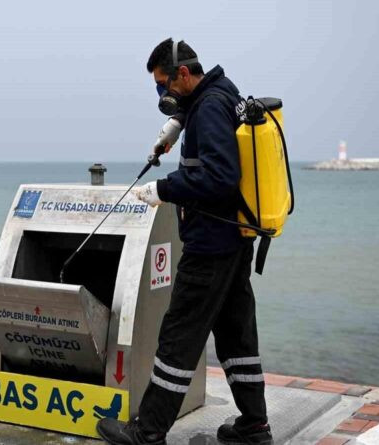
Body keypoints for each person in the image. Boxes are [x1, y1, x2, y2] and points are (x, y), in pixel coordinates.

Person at [96, 38, 272, 445]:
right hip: (234, 240)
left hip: (210, 246)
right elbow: (208, 120)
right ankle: (255, 424)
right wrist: (174, 128)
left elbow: (219, 177)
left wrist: (164, 189)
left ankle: (148, 430)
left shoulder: (209, 108)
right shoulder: (219, 93)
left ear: (185, 74)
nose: (162, 94)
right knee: (236, 334)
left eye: (164, 85)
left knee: (178, 336)